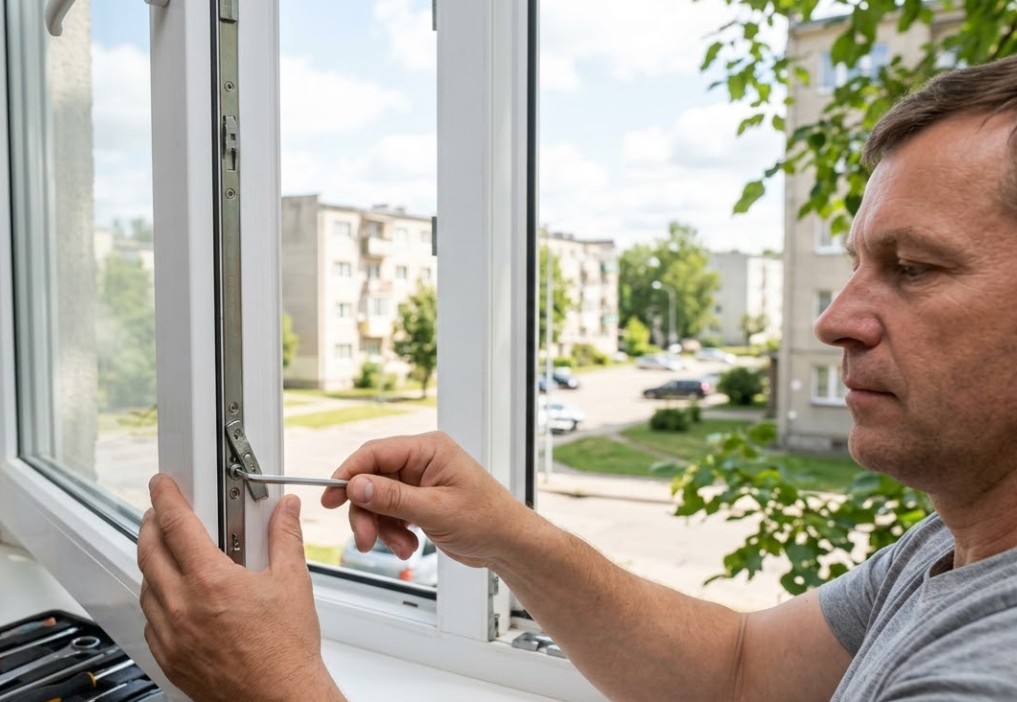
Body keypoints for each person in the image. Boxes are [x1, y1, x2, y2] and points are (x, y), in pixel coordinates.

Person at [137, 55, 1017, 701]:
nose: (836, 320)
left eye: (912, 269)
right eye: (859, 263)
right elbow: (738, 670)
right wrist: (504, 537)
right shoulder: (948, 551)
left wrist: (272, 686)